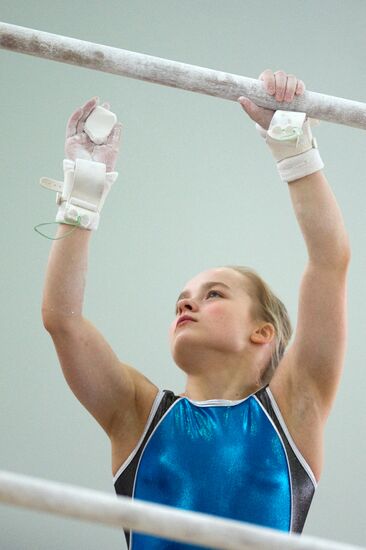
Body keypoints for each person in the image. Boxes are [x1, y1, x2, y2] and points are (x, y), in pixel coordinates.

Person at [41, 69, 351, 549]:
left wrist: (294, 149)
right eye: (183, 298)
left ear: (262, 333)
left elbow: (329, 263)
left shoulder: (296, 408)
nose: (187, 301)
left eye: (214, 294)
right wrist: (83, 195)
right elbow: (63, 321)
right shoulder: (137, 414)